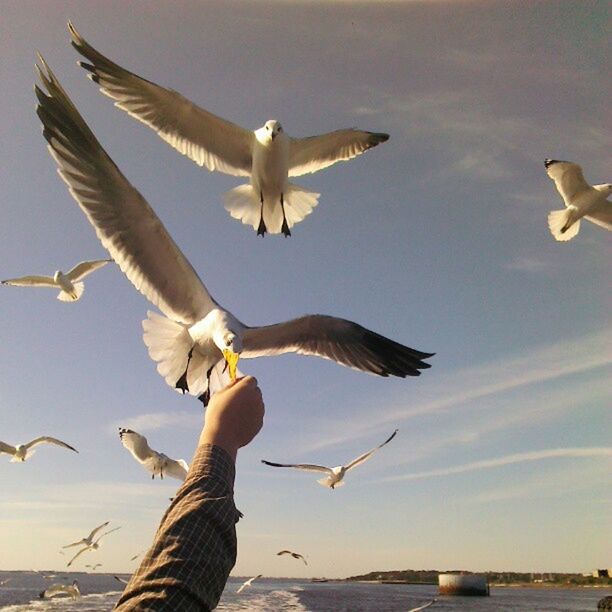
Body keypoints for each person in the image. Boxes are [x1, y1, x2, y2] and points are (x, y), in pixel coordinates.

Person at [115, 376, 265, 611]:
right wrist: (223, 434)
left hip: (194, 477)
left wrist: (221, 434)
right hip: (187, 471)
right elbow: (171, 592)